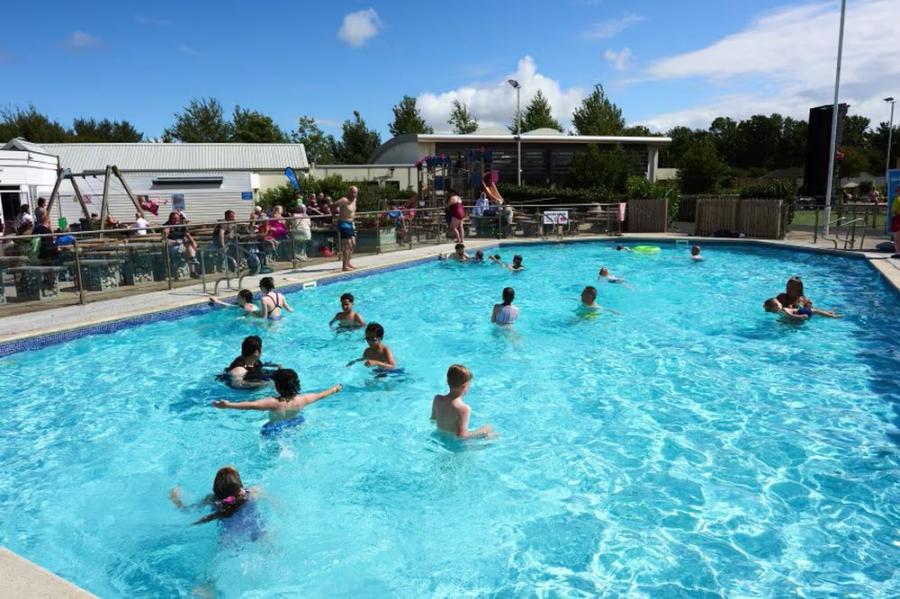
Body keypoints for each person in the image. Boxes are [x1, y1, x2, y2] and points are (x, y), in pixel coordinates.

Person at [212, 368, 342, 434]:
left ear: (278, 386)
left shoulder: (274, 403)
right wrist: (335, 389)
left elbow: (251, 405)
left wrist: (228, 405)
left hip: (274, 429)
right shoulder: (302, 399)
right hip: (296, 424)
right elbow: (321, 395)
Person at [169, 466, 262, 533]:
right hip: (258, 530)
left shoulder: (211, 500)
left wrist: (175, 499)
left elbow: (187, 510)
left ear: (215, 489)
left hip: (228, 535)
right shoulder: (252, 492)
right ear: (239, 486)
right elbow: (273, 502)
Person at [431, 364, 495, 439]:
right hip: (456, 447)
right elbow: (462, 436)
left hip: (440, 438)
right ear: (465, 386)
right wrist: (482, 431)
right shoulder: (464, 409)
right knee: (492, 435)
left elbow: (433, 419)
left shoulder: (437, 399)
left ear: (448, 381)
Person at [164, 211, 199, 276]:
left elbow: (187, 234)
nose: (177, 220)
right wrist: (175, 241)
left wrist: (194, 242)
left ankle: (192, 260)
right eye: (174, 218)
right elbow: (164, 239)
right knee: (189, 250)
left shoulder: (181, 224)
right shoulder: (167, 226)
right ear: (170, 219)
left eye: (178, 219)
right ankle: (192, 270)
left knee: (190, 245)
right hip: (173, 245)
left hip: (182, 244)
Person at [333, 186, 358, 272]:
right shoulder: (344, 200)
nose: (354, 194)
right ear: (349, 192)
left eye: (356, 193)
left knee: (353, 244)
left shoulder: (354, 200)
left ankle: (348, 262)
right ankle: (344, 266)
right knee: (347, 244)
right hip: (343, 223)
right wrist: (334, 216)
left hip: (351, 224)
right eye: (353, 192)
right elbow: (333, 205)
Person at [763, 297, 841, 319]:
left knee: (816, 312)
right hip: (801, 312)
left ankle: (829, 313)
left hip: (799, 311)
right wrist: (801, 316)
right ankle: (832, 316)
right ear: (776, 306)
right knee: (816, 311)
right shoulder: (783, 310)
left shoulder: (779, 312)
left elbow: (788, 316)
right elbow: (791, 315)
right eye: (778, 302)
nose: (780, 303)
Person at [891, 191, 900, 259]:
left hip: (897, 218)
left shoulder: (897, 199)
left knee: (896, 237)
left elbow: (894, 210)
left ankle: (897, 253)